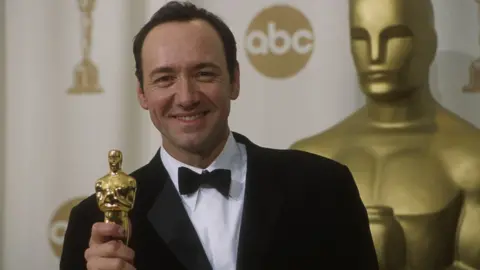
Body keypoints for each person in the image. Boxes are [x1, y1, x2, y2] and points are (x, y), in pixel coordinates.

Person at [59, 1, 378, 269]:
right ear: (142, 94)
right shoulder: (95, 222)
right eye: (165, 78)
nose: (186, 97)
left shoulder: (324, 187)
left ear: (234, 81)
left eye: (204, 73)